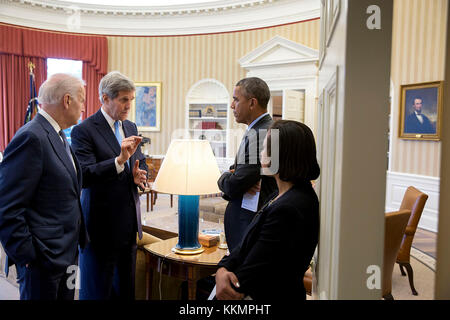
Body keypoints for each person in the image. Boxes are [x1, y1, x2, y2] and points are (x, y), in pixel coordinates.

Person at [0, 73, 88, 300]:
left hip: (68, 254)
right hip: (42, 261)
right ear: (67, 100)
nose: (84, 107)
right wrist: (28, 256)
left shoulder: (58, 135)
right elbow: (7, 206)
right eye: (82, 100)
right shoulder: (31, 137)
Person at [214, 120, 320, 300]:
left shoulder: (290, 207)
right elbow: (245, 246)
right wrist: (222, 268)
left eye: (264, 148)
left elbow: (255, 271)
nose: (261, 154)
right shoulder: (279, 195)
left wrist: (226, 278)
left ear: (279, 156)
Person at [71, 71, 148, 300]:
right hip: (99, 229)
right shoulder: (83, 130)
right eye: (123, 100)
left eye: (131, 100)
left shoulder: (131, 127)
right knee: (97, 292)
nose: (128, 106)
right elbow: (84, 175)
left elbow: (140, 160)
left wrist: (139, 174)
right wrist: (119, 161)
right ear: (105, 98)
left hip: (128, 227)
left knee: (126, 292)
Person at [217, 77, 278, 252]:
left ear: (252, 103)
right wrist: (234, 174)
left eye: (236, 99)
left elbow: (235, 184)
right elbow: (240, 176)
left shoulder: (260, 133)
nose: (231, 105)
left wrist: (224, 178)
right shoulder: (260, 129)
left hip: (249, 225)